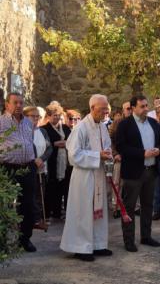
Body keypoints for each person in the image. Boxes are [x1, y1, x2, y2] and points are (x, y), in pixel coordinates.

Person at [60, 94, 113, 261]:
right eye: (102, 108)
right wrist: (98, 156)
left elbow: (107, 145)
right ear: (92, 108)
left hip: (98, 174)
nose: (106, 112)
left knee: (98, 211)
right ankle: (81, 248)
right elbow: (73, 156)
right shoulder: (80, 128)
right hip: (83, 177)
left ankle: (97, 244)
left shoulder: (102, 126)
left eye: (106, 108)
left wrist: (107, 155)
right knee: (83, 212)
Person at [116, 95, 160, 252]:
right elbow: (121, 146)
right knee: (128, 208)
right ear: (133, 108)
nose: (146, 109)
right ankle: (129, 240)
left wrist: (158, 150)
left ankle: (146, 236)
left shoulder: (154, 123)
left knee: (148, 206)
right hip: (133, 173)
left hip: (151, 171)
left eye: (146, 106)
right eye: (142, 106)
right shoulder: (125, 125)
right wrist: (142, 153)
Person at [0, 93, 38, 252]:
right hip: (7, 167)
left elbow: (30, 142)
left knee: (28, 204)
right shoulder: (1, 122)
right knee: (5, 205)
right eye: (15, 103)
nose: (18, 106)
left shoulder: (28, 123)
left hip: (27, 167)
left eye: (21, 103)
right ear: (7, 104)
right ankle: (3, 242)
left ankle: (25, 239)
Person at [24, 106, 53, 230]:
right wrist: (34, 158)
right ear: (25, 117)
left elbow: (49, 147)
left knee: (40, 194)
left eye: (38, 117)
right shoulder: (22, 131)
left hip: (42, 167)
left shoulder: (42, 131)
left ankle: (39, 219)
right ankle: (31, 219)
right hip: (29, 168)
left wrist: (42, 159)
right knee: (30, 195)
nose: (36, 119)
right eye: (32, 116)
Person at [43, 103, 72, 220]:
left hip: (65, 162)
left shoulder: (65, 128)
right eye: (54, 115)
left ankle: (59, 212)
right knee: (51, 187)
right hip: (52, 162)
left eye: (59, 115)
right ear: (49, 116)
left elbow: (71, 140)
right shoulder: (44, 129)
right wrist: (55, 144)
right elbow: (44, 145)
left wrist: (65, 143)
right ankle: (48, 213)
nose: (57, 117)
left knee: (63, 187)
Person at [107, 101, 131, 218]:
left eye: (131, 108)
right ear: (123, 110)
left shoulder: (138, 123)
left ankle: (134, 206)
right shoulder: (117, 123)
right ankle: (116, 206)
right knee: (117, 183)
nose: (130, 111)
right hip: (119, 158)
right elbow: (109, 139)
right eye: (127, 109)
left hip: (133, 159)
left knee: (133, 184)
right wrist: (115, 153)